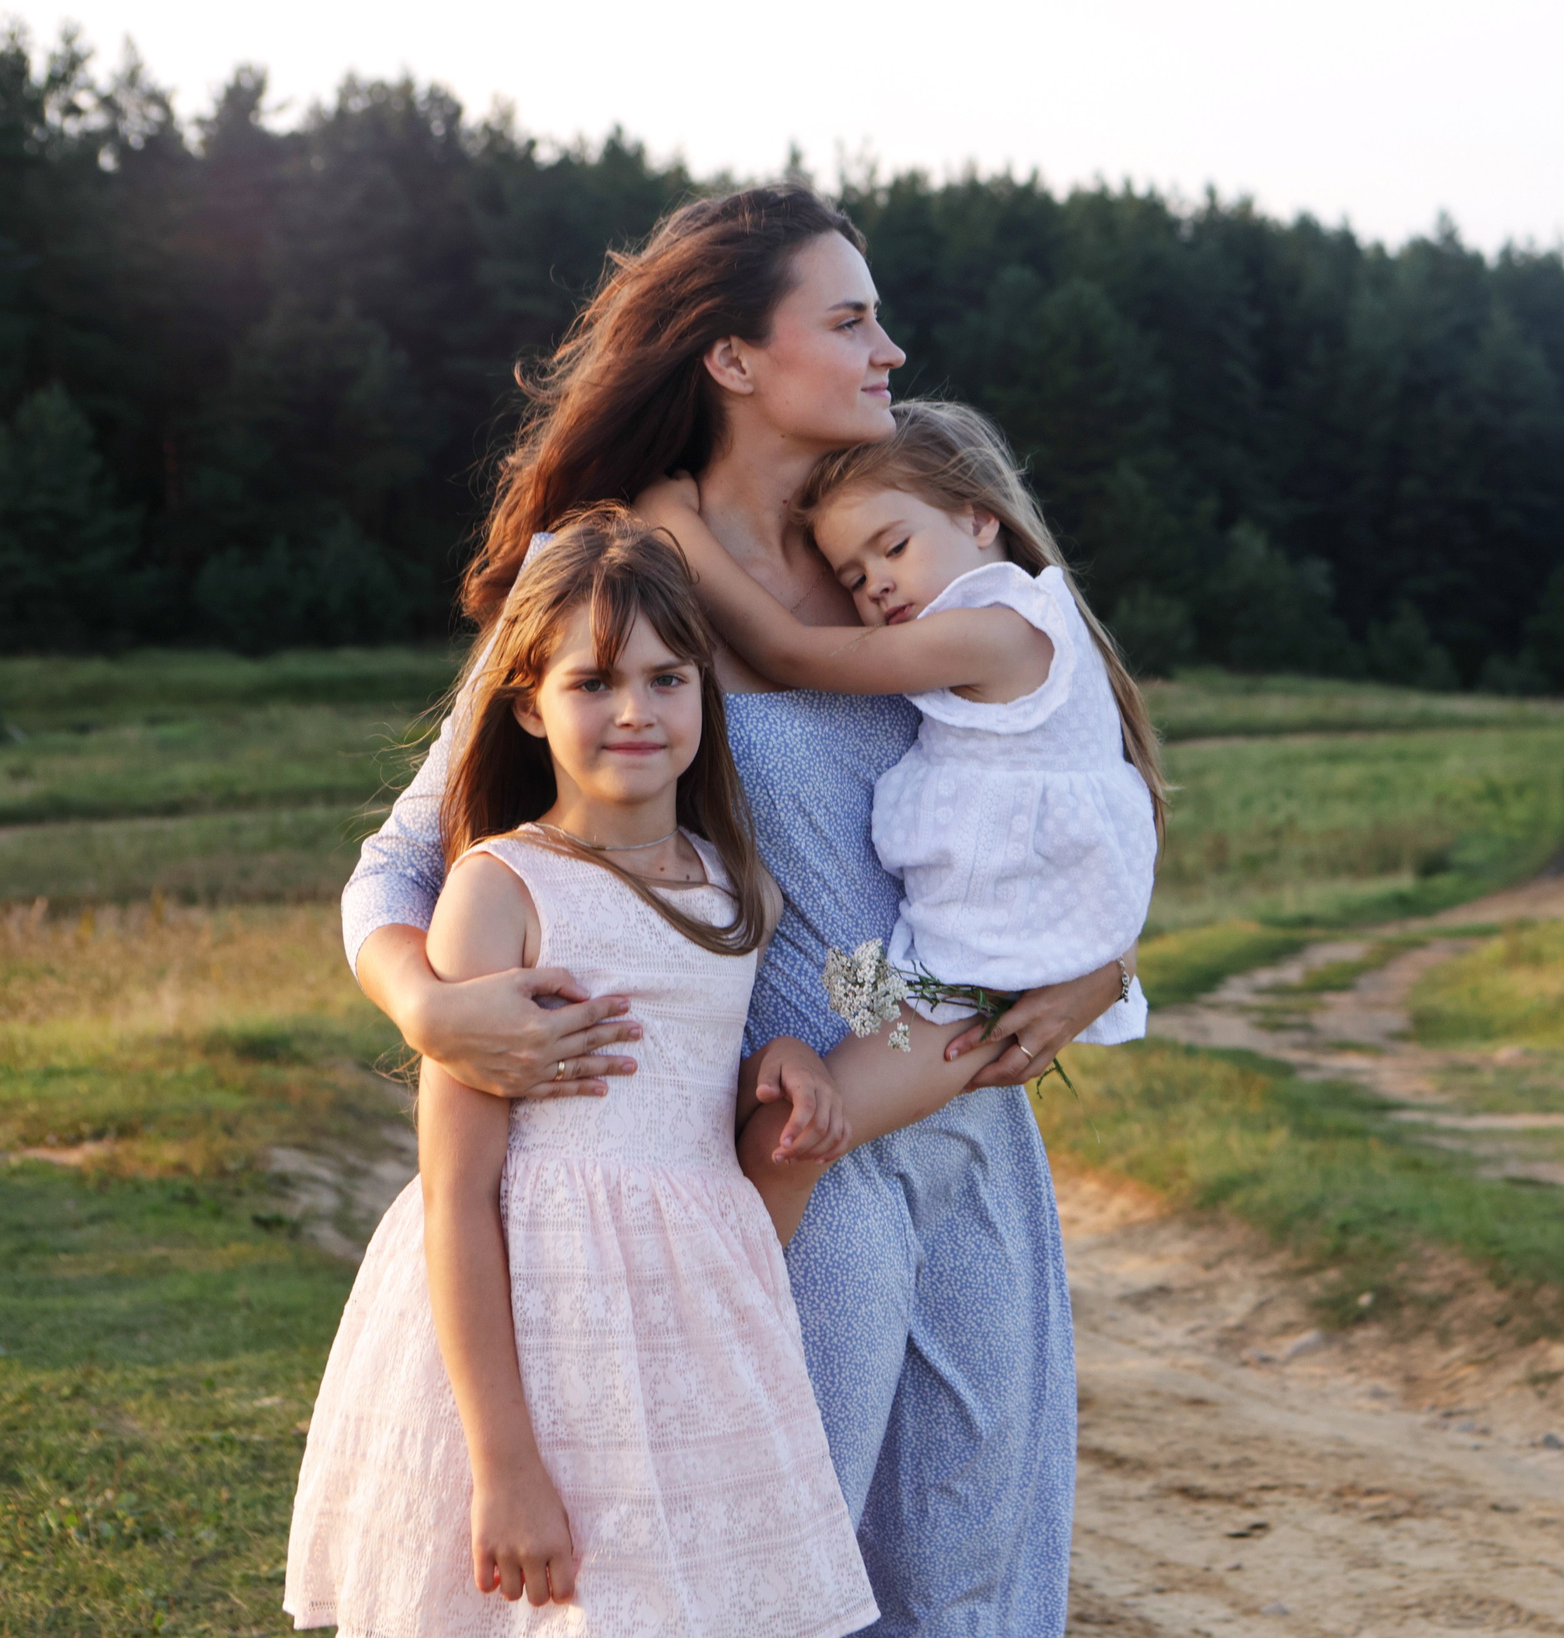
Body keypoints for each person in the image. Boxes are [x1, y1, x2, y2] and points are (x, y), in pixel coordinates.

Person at [341, 186, 1119, 1634]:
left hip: (967, 1135)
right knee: (774, 1581)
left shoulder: (890, 561)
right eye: (849, 319)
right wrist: (430, 1004)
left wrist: (1099, 952)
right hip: (781, 1161)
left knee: (970, 1577)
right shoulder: (622, 577)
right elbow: (397, 866)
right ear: (733, 357)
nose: (889, 350)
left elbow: (1058, 781)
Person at [287, 511, 876, 1637]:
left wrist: (789, 1078)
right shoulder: (503, 888)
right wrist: (503, 1466)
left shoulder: (730, 890)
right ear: (525, 705)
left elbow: (728, 1181)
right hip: (537, 1344)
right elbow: (456, 1194)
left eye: (667, 679)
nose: (636, 713)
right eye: (593, 683)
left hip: (691, 1339)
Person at [640, 400, 1164, 1241]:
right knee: (774, 1112)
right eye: (851, 574)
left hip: (966, 992)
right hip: (949, 969)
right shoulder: (1015, 625)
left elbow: (793, 653)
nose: (875, 583)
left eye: (894, 547)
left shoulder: (996, 631)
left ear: (979, 516)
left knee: (794, 1135)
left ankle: (738, 1316)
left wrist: (674, 527)